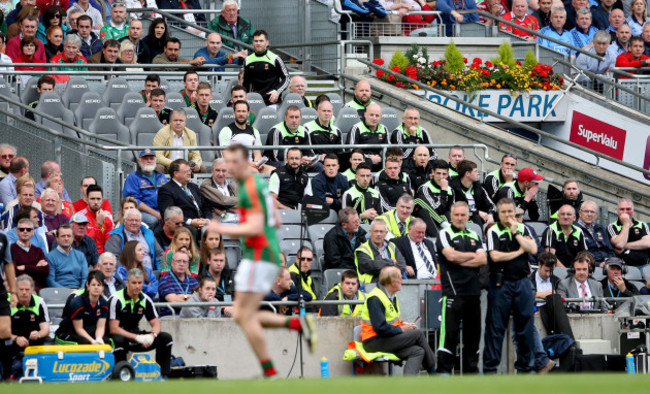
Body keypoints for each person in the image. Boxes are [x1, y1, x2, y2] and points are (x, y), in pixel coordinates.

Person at [207, 144, 317, 378]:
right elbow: (276, 220)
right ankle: (292, 330)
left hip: (259, 257)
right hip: (264, 255)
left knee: (243, 315)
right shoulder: (260, 186)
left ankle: (270, 368)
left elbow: (257, 225)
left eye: (233, 162)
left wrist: (221, 226)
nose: (228, 167)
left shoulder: (248, 189)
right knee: (242, 315)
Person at [484, 198, 539, 374]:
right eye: (504, 212)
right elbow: (495, 256)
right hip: (501, 283)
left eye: (510, 212)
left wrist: (516, 234)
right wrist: (518, 252)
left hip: (522, 283)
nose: (508, 216)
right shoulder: (493, 230)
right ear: (498, 214)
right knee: (496, 328)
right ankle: (490, 370)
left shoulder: (522, 228)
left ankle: (526, 368)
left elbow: (533, 249)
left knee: (525, 328)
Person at [434, 202, 486, 374]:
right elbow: (450, 255)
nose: (459, 218)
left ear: (468, 216)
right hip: (452, 294)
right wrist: (472, 256)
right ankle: (444, 372)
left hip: (473, 293)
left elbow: (483, 260)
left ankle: (471, 373)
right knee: (449, 336)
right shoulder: (444, 233)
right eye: (456, 215)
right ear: (451, 215)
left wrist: (460, 258)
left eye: (463, 215)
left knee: (473, 337)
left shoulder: (474, 235)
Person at [360, 266, 435, 375]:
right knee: (418, 334)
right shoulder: (375, 298)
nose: (402, 280)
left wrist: (403, 324)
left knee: (418, 351)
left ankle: (407, 386)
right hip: (374, 341)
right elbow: (380, 328)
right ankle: (434, 372)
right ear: (391, 281)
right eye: (399, 278)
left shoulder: (391, 296)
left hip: (386, 339)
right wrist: (402, 329)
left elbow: (391, 321)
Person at [108, 268, 173, 377]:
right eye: (134, 283)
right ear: (127, 283)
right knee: (118, 340)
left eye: (140, 283)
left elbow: (156, 324)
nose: (137, 286)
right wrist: (137, 337)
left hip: (135, 334)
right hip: (118, 336)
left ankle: (163, 376)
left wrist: (152, 336)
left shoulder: (146, 300)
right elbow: (113, 328)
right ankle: (121, 376)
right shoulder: (116, 299)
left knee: (166, 338)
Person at [9, 275, 50, 378]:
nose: (24, 292)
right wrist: (15, 338)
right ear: (15, 290)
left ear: (32, 290)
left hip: (34, 345)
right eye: (21, 289)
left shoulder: (39, 302)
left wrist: (39, 334)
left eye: (27, 289)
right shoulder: (8, 302)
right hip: (11, 345)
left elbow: (46, 329)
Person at [157, 159, 211, 237]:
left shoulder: (193, 187)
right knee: (192, 230)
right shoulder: (166, 190)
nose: (189, 173)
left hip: (203, 223)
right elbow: (168, 214)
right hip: (184, 225)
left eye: (189, 170)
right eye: (186, 171)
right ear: (176, 173)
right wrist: (190, 222)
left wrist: (207, 220)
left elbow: (205, 207)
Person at [54, 271, 109, 344]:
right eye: (93, 285)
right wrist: (92, 341)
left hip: (87, 331)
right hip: (68, 332)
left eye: (99, 285)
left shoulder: (104, 303)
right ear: (88, 285)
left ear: (103, 288)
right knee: (86, 343)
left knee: (106, 341)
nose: (96, 287)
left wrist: (98, 338)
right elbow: (79, 329)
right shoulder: (78, 303)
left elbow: (100, 327)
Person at [242, 30, 290, 106]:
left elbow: (286, 78)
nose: (258, 43)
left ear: (267, 43)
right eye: (256, 41)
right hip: (254, 102)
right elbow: (245, 83)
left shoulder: (275, 58)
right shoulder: (247, 60)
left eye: (261, 41)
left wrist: (277, 91)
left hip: (273, 102)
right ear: (253, 43)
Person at [122, 149, 167, 229]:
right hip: (142, 212)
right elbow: (134, 201)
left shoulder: (161, 176)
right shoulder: (133, 177)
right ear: (139, 161)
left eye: (151, 158)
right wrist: (156, 214)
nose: (149, 161)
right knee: (153, 220)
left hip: (161, 210)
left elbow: (168, 195)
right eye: (146, 159)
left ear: (155, 161)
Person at [218, 100, 267, 172]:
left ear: (248, 113)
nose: (241, 114)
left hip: (252, 165)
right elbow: (227, 155)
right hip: (233, 165)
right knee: (255, 171)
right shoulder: (226, 131)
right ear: (234, 113)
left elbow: (257, 154)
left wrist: (258, 163)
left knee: (273, 171)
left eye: (244, 111)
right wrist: (248, 163)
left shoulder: (254, 131)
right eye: (238, 111)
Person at [153, 109, 205, 174]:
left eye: (181, 120)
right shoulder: (162, 133)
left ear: (185, 123)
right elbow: (158, 156)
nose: (178, 123)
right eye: (175, 120)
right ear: (170, 122)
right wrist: (175, 164)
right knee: (158, 167)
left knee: (202, 168)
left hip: (186, 167)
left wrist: (196, 165)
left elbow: (197, 156)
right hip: (168, 166)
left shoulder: (191, 134)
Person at [355, 219, 405, 286]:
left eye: (381, 232)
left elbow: (402, 265)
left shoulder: (392, 246)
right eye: (376, 231)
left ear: (386, 233)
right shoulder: (362, 249)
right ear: (370, 232)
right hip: (371, 288)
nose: (378, 234)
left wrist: (381, 265)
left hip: (393, 285)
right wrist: (391, 262)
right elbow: (372, 267)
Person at [414, 159, 454, 237]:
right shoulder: (425, 188)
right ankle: (438, 235)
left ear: (448, 174)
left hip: (442, 218)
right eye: (438, 173)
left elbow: (450, 209)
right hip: (428, 220)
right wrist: (443, 192)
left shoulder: (450, 189)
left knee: (449, 212)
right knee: (423, 209)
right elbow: (434, 209)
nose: (441, 177)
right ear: (432, 172)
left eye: (444, 174)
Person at [450, 160, 495, 227]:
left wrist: (490, 214)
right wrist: (477, 213)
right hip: (462, 220)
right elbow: (454, 208)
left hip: (479, 219)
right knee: (476, 217)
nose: (478, 173)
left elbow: (491, 205)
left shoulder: (478, 187)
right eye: (475, 171)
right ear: (467, 173)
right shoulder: (453, 187)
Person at [608, 199, 650, 268]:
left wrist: (625, 246)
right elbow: (619, 244)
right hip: (623, 267)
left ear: (633, 211)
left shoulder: (642, 224)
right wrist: (626, 224)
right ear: (617, 211)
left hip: (644, 266)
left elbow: (648, 243)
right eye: (622, 209)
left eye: (628, 209)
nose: (625, 212)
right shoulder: (612, 226)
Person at [347, 103, 388, 171]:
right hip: (362, 161)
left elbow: (388, 149)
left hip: (379, 160)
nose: (374, 118)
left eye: (377, 116)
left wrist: (380, 157)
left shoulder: (384, 129)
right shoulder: (356, 128)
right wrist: (368, 158)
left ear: (380, 117)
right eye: (371, 115)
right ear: (365, 114)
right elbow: (351, 150)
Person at [11, 218, 48, 291]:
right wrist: (36, 267)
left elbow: (45, 270)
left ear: (33, 232)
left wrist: (24, 267)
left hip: (38, 290)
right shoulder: (10, 250)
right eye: (22, 229)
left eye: (28, 229)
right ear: (17, 232)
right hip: (20, 290)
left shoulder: (38, 251)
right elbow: (14, 271)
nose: (25, 231)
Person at [46, 224, 88, 288]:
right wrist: (68, 292)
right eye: (63, 236)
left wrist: (80, 292)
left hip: (79, 293)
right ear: (57, 238)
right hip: (59, 293)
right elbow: (50, 281)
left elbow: (85, 279)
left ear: (73, 238)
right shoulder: (50, 257)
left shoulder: (80, 256)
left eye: (69, 236)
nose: (66, 238)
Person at [158, 249, 199, 313]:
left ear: (188, 264)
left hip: (191, 316)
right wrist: (190, 297)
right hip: (171, 318)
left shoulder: (193, 280)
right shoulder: (165, 280)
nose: (181, 264)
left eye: (184, 262)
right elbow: (173, 301)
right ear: (172, 263)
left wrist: (182, 296)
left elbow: (200, 299)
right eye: (178, 261)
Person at [576, 200, 615, 265]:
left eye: (592, 212)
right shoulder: (575, 229)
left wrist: (610, 262)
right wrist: (597, 264)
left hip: (607, 264)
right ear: (580, 213)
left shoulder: (601, 228)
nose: (589, 214)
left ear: (596, 215)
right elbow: (578, 255)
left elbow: (610, 250)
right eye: (586, 211)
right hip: (589, 266)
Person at [78, 184, 113, 254]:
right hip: (85, 255)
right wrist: (98, 224)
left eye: (98, 199)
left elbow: (109, 245)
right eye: (92, 199)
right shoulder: (80, 217)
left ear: (102, 200)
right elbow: (85, 242)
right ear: (86, 200)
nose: (96, 202)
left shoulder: (107, 218)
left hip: (102, 258)